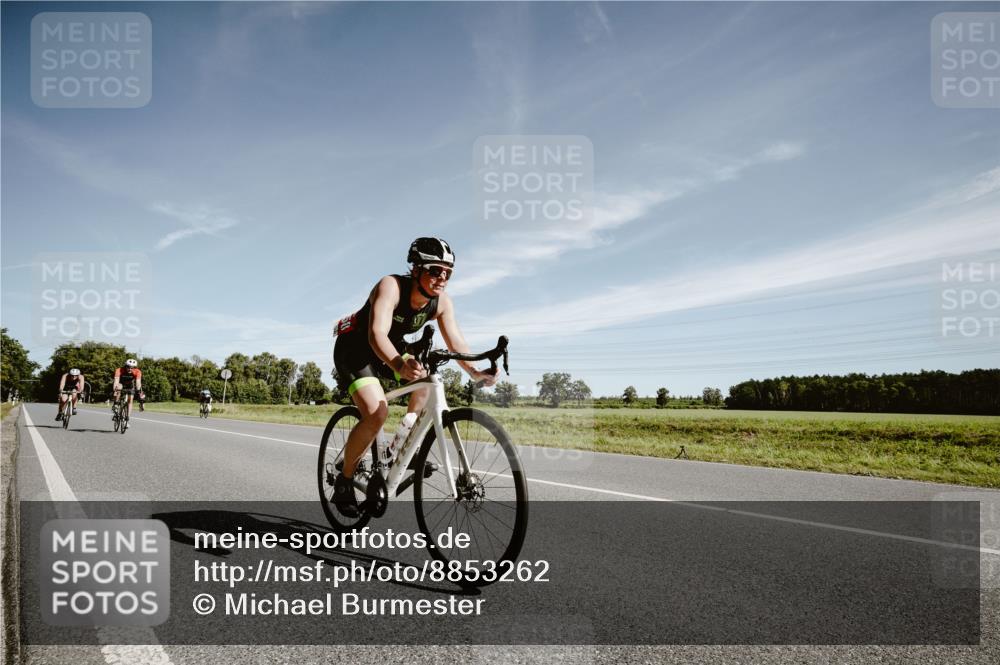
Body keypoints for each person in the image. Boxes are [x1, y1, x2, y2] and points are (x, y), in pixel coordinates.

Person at [330, 237, 498, 517]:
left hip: (392, 349)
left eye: (448, 272)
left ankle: (401, 448)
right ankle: (344, 481)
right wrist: (398, 365)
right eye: (435, 270)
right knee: (376, 413)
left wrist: (475, 373)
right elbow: (376, 335)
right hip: (356, 350)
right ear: (416, 269)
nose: (442, 277)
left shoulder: (441, 303)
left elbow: (456, 342)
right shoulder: (391, 286)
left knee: (426, 382)